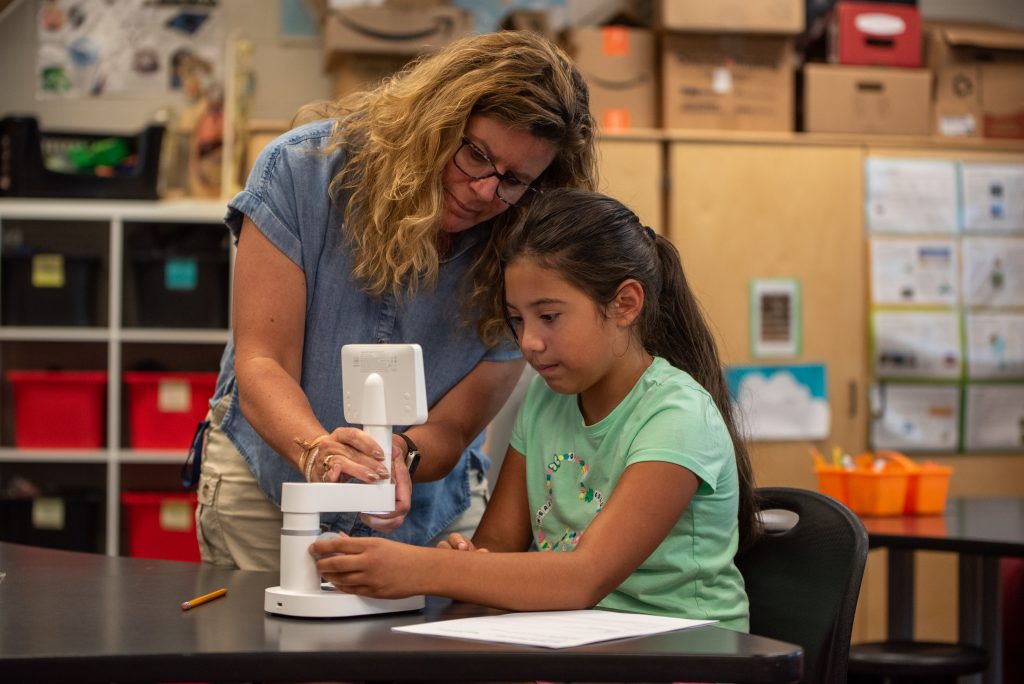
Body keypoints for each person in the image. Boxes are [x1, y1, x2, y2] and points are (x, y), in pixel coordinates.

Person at [194, 31, 597, 571]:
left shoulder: (524, 236)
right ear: (437, 118)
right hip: (269, 494)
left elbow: (455, 426)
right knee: (268, 652)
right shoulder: (302, 172)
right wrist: (319, 452)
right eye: (476, 154)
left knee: (410, 655)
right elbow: (263, 363)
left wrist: (404, 456)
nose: (484, 191)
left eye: (514, 180)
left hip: (427, 514)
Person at [310, 188, 760, 630]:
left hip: (687, 652)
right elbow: (498, 546)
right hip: (574, 640)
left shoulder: (677, 416)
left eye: (549, 317)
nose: (528, 342)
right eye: (518, 319)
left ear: (625, 305)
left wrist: (424, 569)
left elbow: (583, 578)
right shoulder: (546, 399)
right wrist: (468, 565)